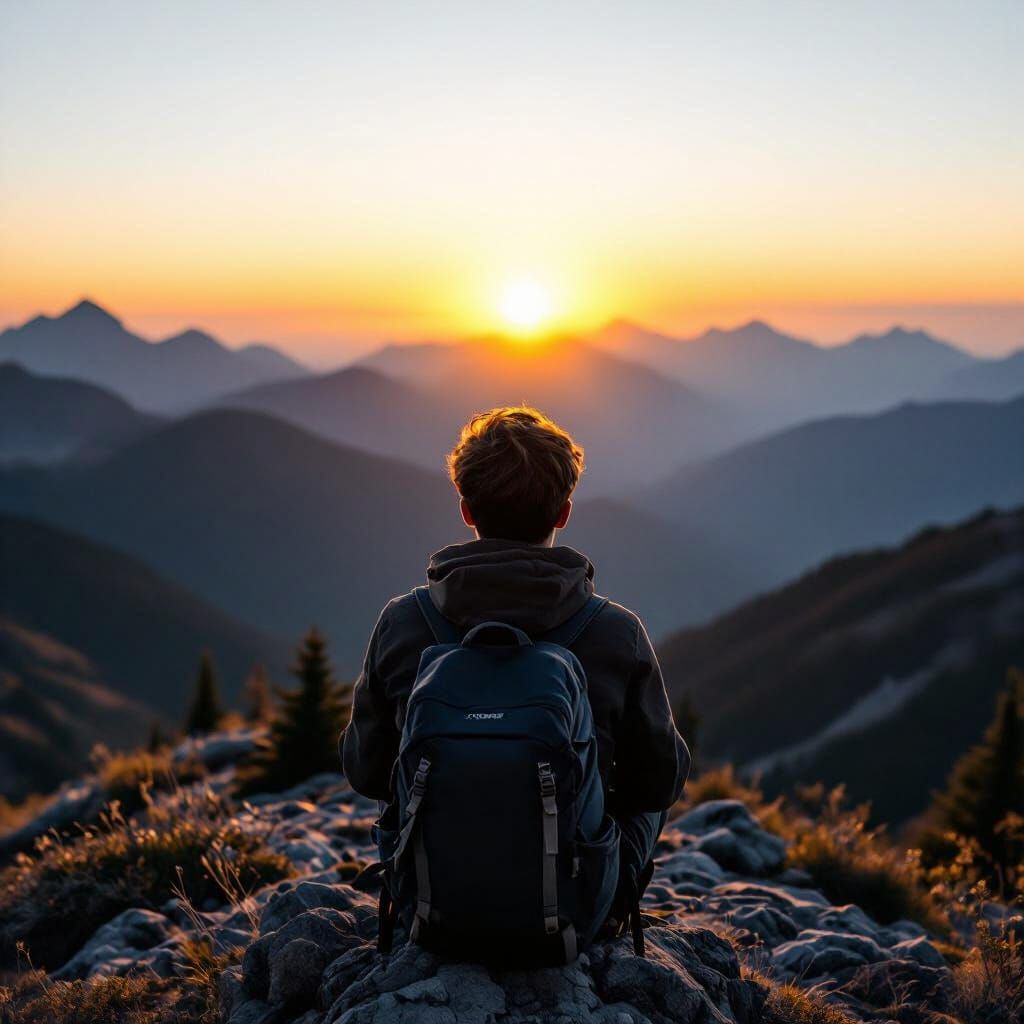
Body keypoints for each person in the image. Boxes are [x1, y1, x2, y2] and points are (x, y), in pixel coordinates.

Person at [341, 405, 690, 954]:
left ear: (465, 509)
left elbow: (366, 771)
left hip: (428, 906)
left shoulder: (404, 623)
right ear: (565, 513)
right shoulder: (616, 633)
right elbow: (658, 782)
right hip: (574, 912)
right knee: (650, 795)